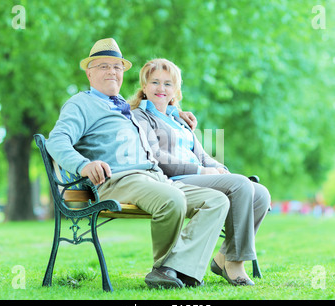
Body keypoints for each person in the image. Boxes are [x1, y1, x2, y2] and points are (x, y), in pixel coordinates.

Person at [46, 39, 229, 289]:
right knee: (172, 200)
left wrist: (177, 114)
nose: (112, 71)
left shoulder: (123, 106)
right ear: (89, 73)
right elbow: (56, 141)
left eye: (117, 67)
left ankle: (173, 269)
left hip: (153, 178)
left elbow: (155, 110)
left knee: (217, 201)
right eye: (103, 66)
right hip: (118, 180)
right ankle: (166, 269)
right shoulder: (81, 103)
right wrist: (83, 165)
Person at [130, 58, 271, 286]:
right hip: (174, 180)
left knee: (261, 193)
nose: (161, 88)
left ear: (175, 90)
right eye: (154, 82)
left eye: (168, 84)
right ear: (144, 87)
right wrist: (202, 170)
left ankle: (223, 257)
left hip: (199, 175)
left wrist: (221, 170)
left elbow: (203, 155)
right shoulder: (140, 117)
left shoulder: (179, 120)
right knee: (240, 185)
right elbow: (156, 158)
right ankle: (235, 264)